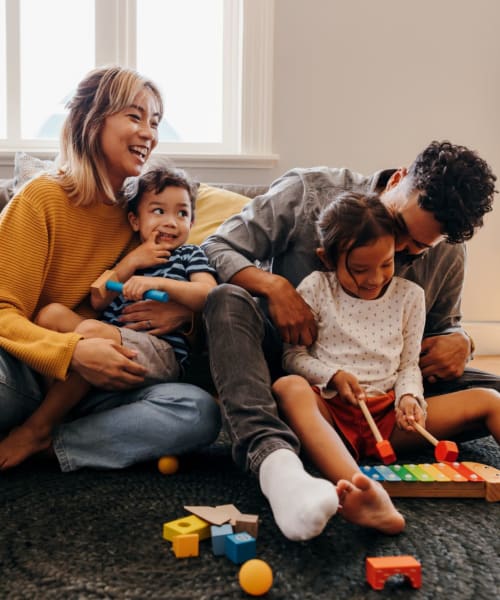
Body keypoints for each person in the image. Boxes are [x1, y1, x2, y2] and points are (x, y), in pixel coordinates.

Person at [201, 140, 498, 541]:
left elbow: (441, 328)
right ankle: (275, 457)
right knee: (226, 301)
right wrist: (274, 287)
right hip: (299, 374)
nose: (397, 253)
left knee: (491, 392)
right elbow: (215, 247)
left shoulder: (447, 252)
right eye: (401, 231)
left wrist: (459, 340)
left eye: (414, 250)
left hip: (389, 390)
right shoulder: (307, 192)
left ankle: (333, 449)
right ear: (398, 180)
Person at [0, 66, 221, 473]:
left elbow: (174, 284)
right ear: (92, 120)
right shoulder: (41, 198)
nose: (149, 134)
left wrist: (185, 315)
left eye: (154, 122)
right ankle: (42, 426)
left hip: (102, 378)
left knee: (198, 412)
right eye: (135, 117)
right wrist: (73, 351)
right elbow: (2, 312)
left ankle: (51, 441)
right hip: (27, 369)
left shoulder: (138, 218)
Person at [272, 191, 500, 533]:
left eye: (386, 264)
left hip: (391, 418)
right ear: (328, 259)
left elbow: (409, 366)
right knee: (288, 387)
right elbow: (293, 356)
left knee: (490, 400)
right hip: (332, 414)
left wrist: (410, 398)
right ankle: (364, 491)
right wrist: (332, 376)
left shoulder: (410, 297)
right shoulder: (316, 287)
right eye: (359, 269)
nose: (375, 279)